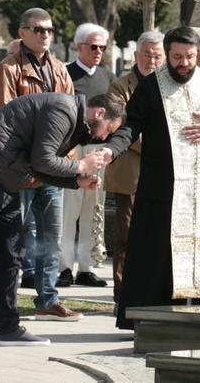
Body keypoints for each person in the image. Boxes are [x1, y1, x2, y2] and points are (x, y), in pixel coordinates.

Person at [0, 92, 123, 353]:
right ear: (99, 112)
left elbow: (41, 167)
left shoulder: (72, 121)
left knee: (12, 252)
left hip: (3, 179)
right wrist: (79, 166)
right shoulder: (62, 110)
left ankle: (8, 328)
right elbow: (43, 159)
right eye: (108, 130)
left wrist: (77, 181)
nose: (103, 138)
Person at [101, 26, 200, 329]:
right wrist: (112, 150)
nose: (184, 63)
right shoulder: (151, 87)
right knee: (156, 258)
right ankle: (149, 321)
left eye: (190, 56)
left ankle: (197, 318)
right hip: (161, 190)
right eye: (177, 57)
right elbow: (129, 126)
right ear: (167, 55)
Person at [0, 7, 78, 320]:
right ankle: (5, 302)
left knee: (51, 239)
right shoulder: (8, 69)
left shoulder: (60, 69)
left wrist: (64, 160)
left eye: (49, 30)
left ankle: (47, 300)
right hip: (22, 170)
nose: (44, 35)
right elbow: (5, 119)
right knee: (13, 238)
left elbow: (71, 117)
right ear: (22, 32)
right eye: (38, 29)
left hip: (52, 170)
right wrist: (27, 160)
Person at [104, 30, 164, 308]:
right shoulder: (119, 86)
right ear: (136, 56)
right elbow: (124, 126)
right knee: (126, 238)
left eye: (157, 55)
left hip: (162, 173)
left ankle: (151, 293)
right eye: (147, 54)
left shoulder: (169, 84)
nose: (152, 60)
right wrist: (159, 144)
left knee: (156, 237)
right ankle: (123, 295)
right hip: (130, 174)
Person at [59, 23, 117, 288]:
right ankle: (64, 267)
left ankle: (86, 266)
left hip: (98, 150)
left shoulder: (108, 77)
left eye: (102, 47)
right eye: (93, 46)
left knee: (93, 208)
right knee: (70, 210)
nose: (98, 51)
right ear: (79, 46)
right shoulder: (66, 74)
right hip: (73, 150)